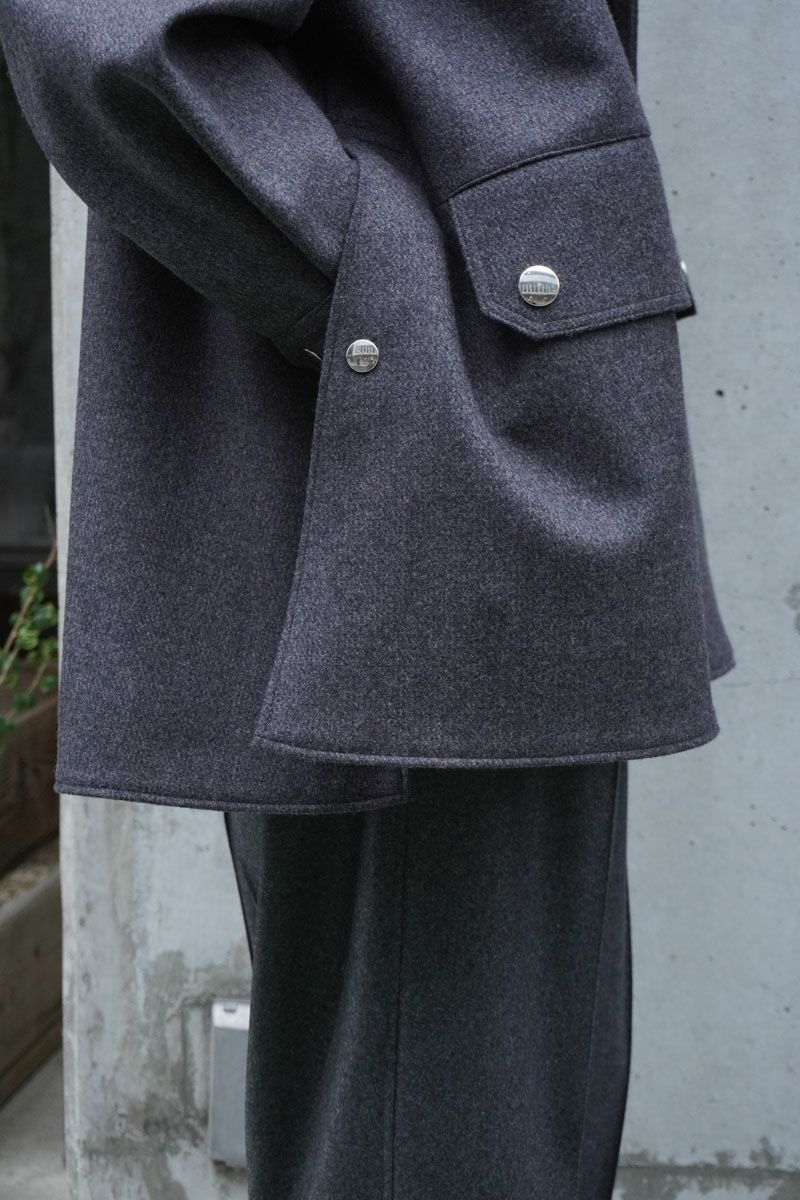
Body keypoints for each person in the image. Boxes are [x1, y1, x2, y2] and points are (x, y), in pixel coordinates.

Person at [0, 0, 733, 1196]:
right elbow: (107, 34)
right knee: (441, 1140)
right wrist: (379, 285)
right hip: (426, 470)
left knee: (504, 1122)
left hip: (498, 445)